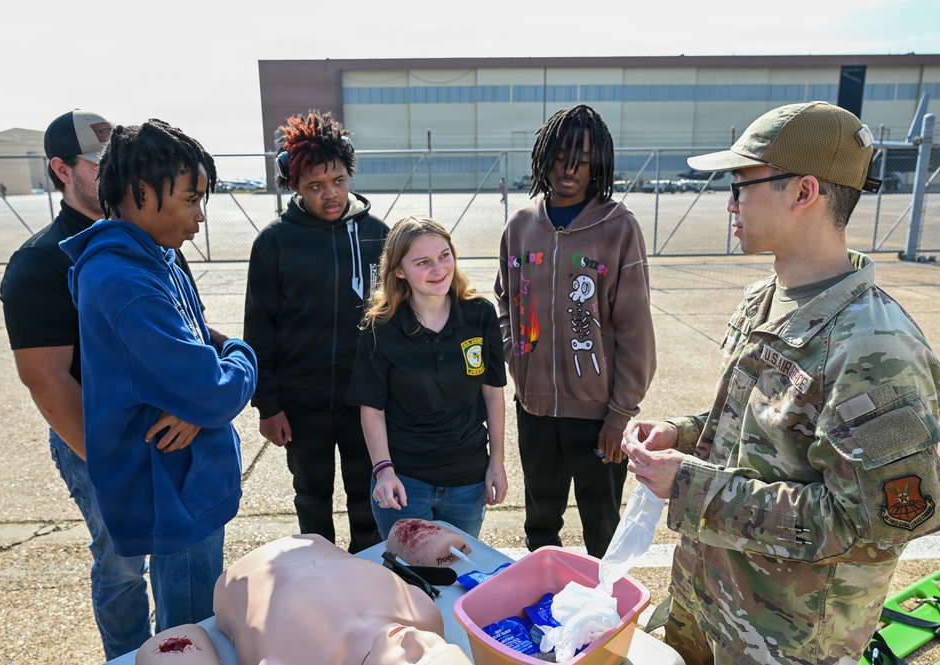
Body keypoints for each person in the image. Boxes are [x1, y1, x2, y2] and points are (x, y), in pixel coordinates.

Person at [622, 101, 940, 665]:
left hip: (787, 640)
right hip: (712, 602)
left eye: (741, 184)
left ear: (803, 193)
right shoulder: (764, 299)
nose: (730, 202)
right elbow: (756, 428)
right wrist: (683, 434)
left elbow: (872, 524)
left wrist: (691, 487)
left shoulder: (876, 349)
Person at [0, 110, 215, 659]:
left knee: (179, 564)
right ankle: (125, 654)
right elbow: (46, 378)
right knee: (121, 564)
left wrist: (197, 402)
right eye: (98, 165)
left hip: (171, 431)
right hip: (98, 438)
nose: (115, 173)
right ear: (61, 169)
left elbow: (189, 334)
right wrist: (111, 461)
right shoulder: (40, 262)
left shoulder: (155, 240)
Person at [59, 119, 258, 635]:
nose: (199, 217)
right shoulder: (127, 282)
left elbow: (199, 359)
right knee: (188, 634)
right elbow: (213, 390)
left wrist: (205, 388)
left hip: (184, 481)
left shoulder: (158, 257)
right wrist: (243, 355)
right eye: (191, 200)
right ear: (140, 192)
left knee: (187, 623)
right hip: (174, 493)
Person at [495, 104, 656, 558]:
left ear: (598, 164)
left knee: (603, 531)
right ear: (543, 156)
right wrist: (515, 355)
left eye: (583, 159)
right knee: (540, 524)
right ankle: (544, 612)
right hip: (535, 410)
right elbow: (504, 298)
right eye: (561, 155)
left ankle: (607, 621)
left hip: (598, 416)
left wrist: (620, 413)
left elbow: (635, 329)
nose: (570, 169)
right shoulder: (521, 225)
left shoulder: (618, 227)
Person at [244, 110, 387, 553]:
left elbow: (397, 322)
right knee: (312, 496)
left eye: (339, 181)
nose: (331, 194)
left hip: (363, 400)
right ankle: (321, 579)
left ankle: (370, 577)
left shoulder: (377, 236)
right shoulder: (274, 243)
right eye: (316, 186)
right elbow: (258, 328)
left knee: (368, 497)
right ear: (295, 186)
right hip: (300, 404)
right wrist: (268, 404)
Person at [348, 216, 507, 539]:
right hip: (406, 483)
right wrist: (384, 470)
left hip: (468, 480)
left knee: (459, 578)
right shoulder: (380, 328)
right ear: (399, 271)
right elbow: (372, 408)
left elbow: (493, 393)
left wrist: (497, 463)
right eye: (423, 262)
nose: (439, 269)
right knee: (408, 582)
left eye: (444, 255)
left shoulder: (479, 314)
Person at [213, 533, 473, 665]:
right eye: (440, 646)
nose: (413, 637)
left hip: (236, 581)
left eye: (413, 660)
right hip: (312, 543)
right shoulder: (423, 616)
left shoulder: (300, 657)